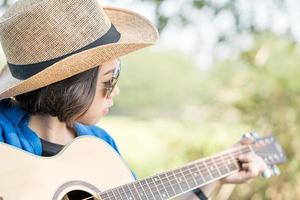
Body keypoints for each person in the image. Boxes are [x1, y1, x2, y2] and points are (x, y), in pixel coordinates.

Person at [0, 0, 268, 199]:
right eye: (109, 80)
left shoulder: (99, 145)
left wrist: (218, 174)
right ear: (70, 85)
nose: (116, 91)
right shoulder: (5, 136)